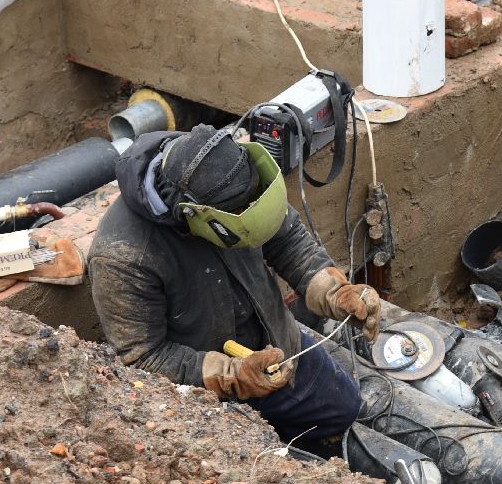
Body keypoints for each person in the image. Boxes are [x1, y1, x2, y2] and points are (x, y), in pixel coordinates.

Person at [88, 125, 379, 456]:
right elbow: (144, 356)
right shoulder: (124, 256)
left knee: (344, 409)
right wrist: (232, 375)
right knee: (272, 467)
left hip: (277, 347)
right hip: (205, 398)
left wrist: (334, 292)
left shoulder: (228, 169)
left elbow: (286, 240)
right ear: (194, 216)